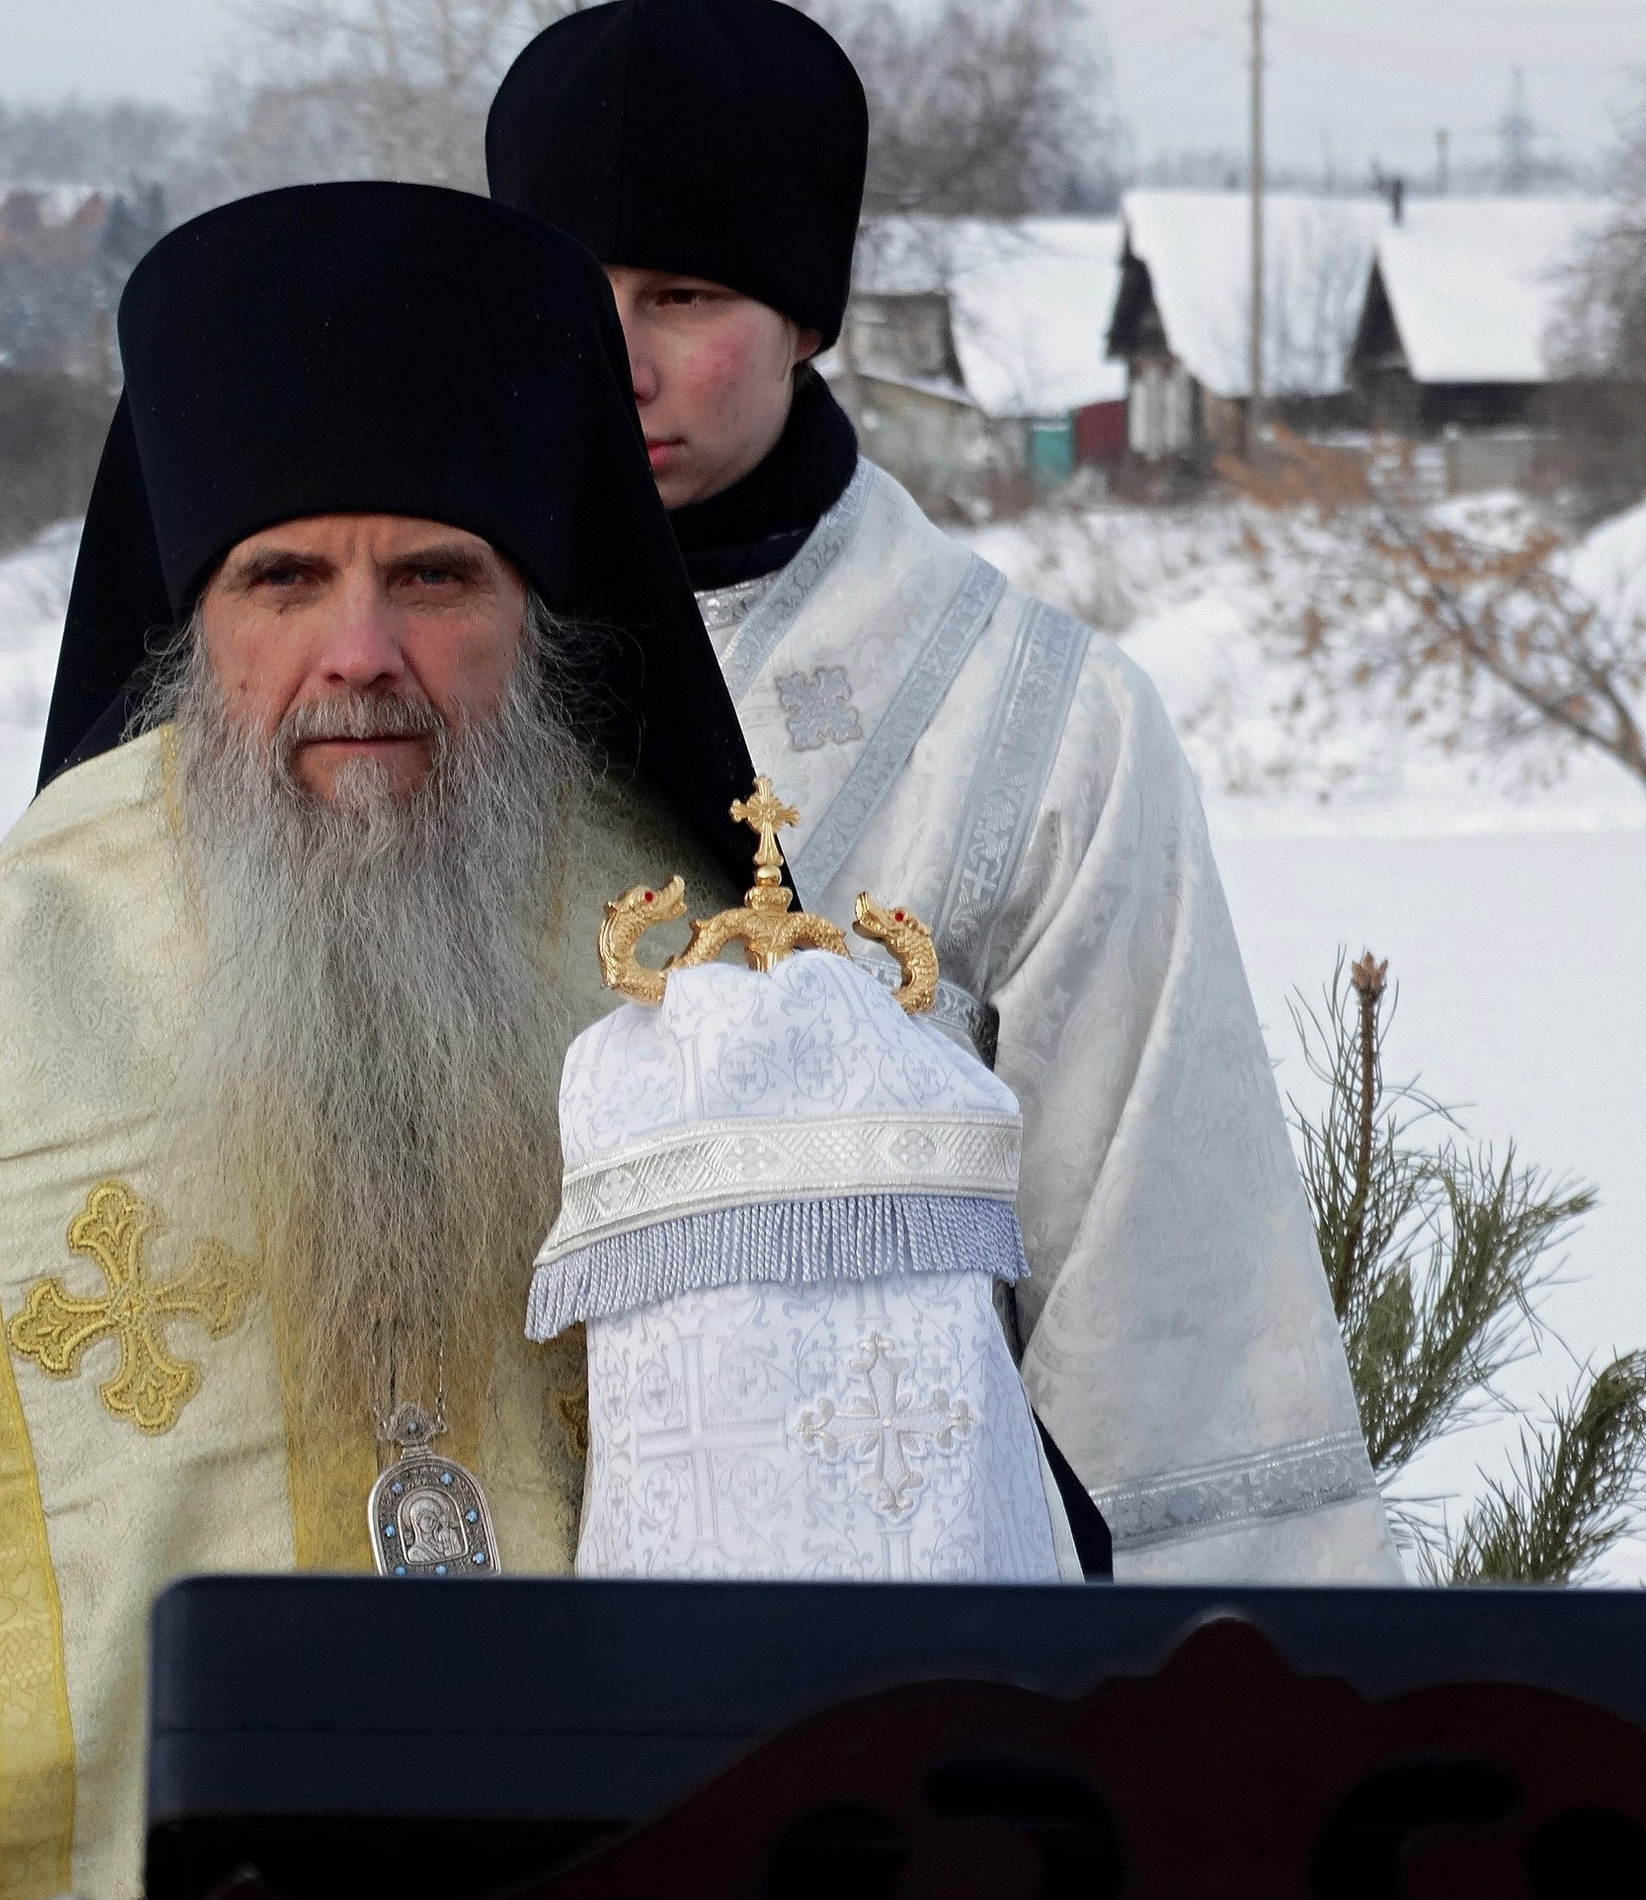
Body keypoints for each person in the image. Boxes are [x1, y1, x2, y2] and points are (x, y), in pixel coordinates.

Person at [0, 180, 760, 1900]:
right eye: (281, 578)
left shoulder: (736, 1011)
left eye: (435, 575)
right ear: (192, 622)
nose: (358, 655)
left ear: (541, 602)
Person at [487, 0, 1394, 1583]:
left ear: (805, 319)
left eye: (684, 295)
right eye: (570, 295)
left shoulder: (1038, 724)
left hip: (902, 1659)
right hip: (478, 1648)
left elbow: (1165, 1305)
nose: (618, 361)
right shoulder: (412, 687)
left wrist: (1207, 1698)